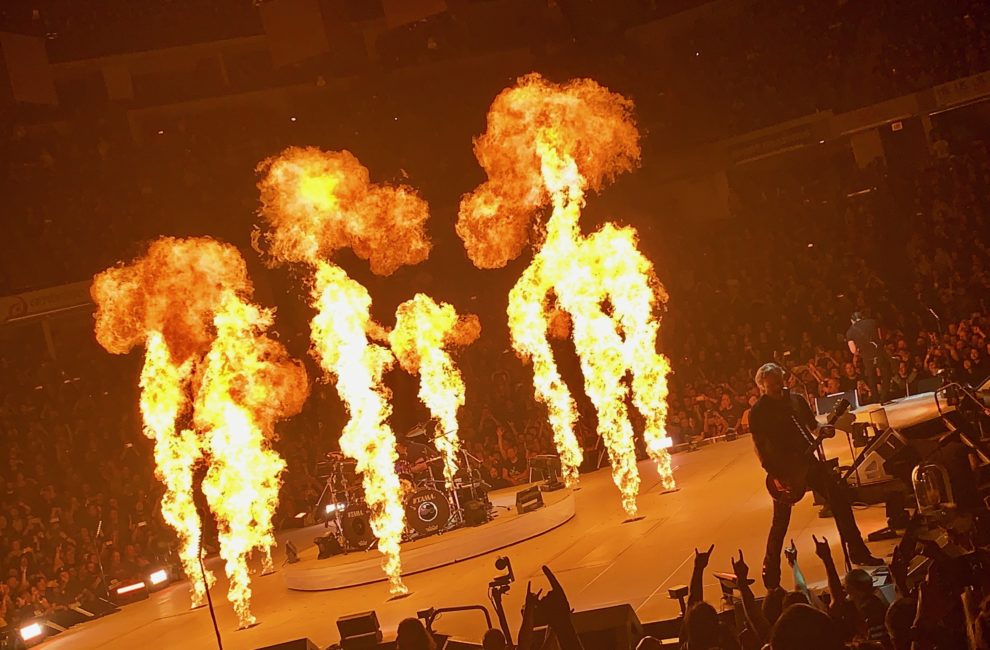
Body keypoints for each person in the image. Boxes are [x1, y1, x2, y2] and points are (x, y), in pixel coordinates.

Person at [749, 363, 881, 590]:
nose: (778, 389)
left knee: (839, 499)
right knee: (780, 523)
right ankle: (770, 573)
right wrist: (775, 474)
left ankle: (858, 551)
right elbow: (759, 447)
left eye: (780, 382)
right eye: (772, 386)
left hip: (809, 463)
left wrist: (824, 431)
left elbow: (813, 426)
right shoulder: (759, 412)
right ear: (762, 387)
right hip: (784, 471)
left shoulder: (796, 401)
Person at [846, 313, 892, 403]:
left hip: (866, 357)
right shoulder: (873, 322)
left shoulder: (850, 331)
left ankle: (875, 399)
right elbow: (881, 337)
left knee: (871, 377)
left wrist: (860, 352)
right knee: (886, 373)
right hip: (878, 352)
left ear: (852, 321)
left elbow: (853, 350)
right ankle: (884, 397)